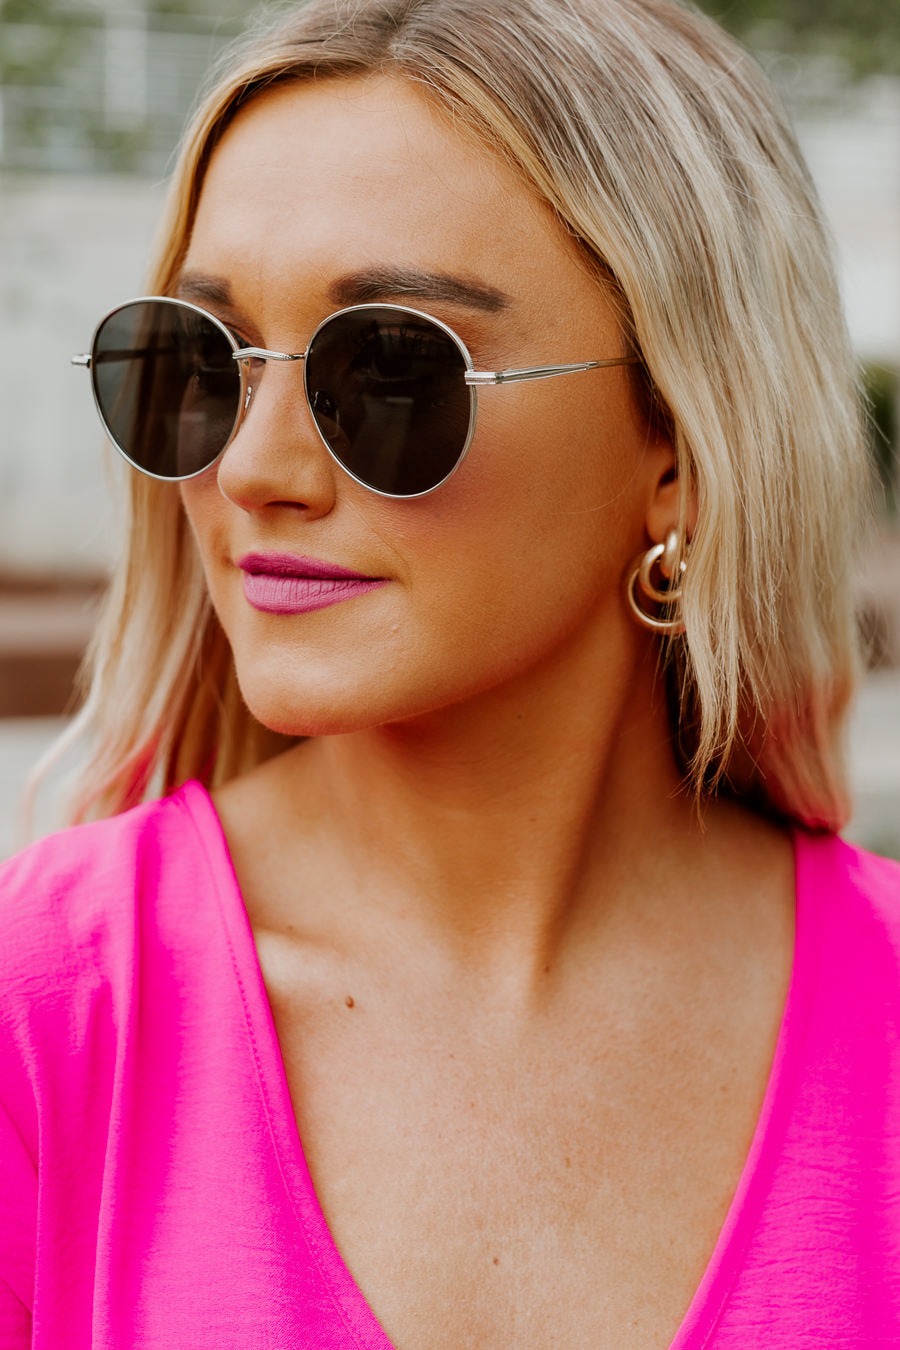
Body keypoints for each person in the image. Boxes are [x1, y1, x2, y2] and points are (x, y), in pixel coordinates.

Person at [2, 0, 898, 1344]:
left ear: (679, 447)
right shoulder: (46, 1013)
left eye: (388, 371)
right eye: (200, 360)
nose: (253, 470)